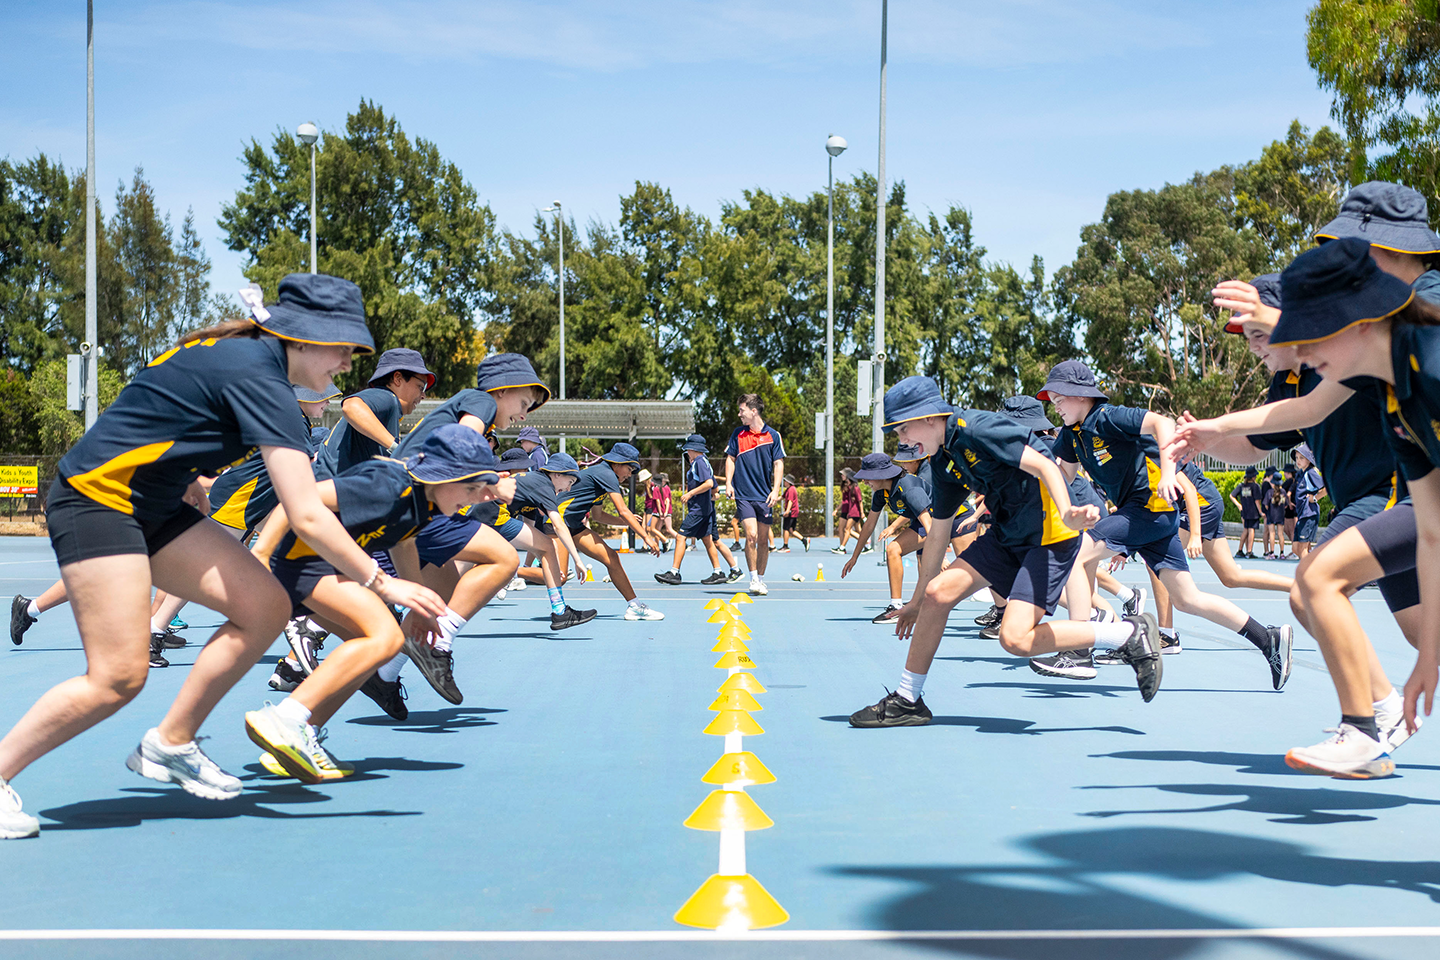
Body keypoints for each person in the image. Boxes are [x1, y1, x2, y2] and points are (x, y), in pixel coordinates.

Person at [0, 273, 448, 841]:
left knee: (263, 605)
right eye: (342, 350)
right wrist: (383, 586)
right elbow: (306, 512)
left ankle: (171, 741)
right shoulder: (262, 381)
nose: (345, 365)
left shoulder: (245, 357)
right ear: (304, 339)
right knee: (118, 676)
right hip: (96, 501)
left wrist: (183, 474)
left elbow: (159, 401)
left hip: (153, 503)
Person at [1170, 236, 1440, 777]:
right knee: (1418, 631)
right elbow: (1270, 433)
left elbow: (1308, 404)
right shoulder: (1328, 375)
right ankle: (1380, 716)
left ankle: (1371, 720)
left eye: (1261, 333)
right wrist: (1206, 436)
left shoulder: (1394, 355)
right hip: (1409, 496)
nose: (1257, 348)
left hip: (1384, 494)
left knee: (1314, 583)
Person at [848, 377, 1165, 730]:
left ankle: (1125, 635)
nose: (903, 441)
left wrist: (1068, 511)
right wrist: (916, 600)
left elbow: (1045, 465)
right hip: (1007, 534)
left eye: (904, 429)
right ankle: (908, 700)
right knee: (939, 593)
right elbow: (938, 533)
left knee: (1014, 639)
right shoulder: (942, 459)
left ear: (930, 417)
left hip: (1050, 537)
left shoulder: (979, 428)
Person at [245, 424, 503, 781]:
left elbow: (403, 545)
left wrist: (416, 605)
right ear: (443, 477)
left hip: (322, 566)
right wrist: (260, 553)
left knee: (370, 650)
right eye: (471, 488)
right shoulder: (387, 485)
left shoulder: (424, 505)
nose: (475, 498)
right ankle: (286, 718)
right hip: (296, 563)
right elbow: (300, 498)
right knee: (386, 637)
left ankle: (303, 733)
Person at [1038, 360, 1294, 690]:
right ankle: (1268, 638)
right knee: (1188, 599)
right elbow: (1061, 477)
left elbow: (1162, 421)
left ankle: (1078, 649)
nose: (1055, 405)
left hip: (1150, 510)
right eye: (1052, 400)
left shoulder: (1108, 417)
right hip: (1146, 516)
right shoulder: (1072, 437)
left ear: (1081, 395)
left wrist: (1170, 473)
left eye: (1060, 398)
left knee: (1074, 556)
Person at [557, 442, 664, 620]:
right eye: (629, 469)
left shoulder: (601, 477)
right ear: (617, 464)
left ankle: (635, 606)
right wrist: (646, 537)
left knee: (612, 558)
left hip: (573, 525)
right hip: (555, 522)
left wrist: (623, 522)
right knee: (560, 577)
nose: (630, 474)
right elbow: (623, 510)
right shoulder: (606, 473)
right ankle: (513, 573)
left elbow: (598, 516)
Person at [841, 452, 933, 624]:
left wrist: (940, 552)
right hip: (928, 524)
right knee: (917, 562)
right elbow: (869, 525)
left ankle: (1000, 607)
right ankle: (898, 606)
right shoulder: (882, 493)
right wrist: (855, 556)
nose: (865, 482)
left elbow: (931, 527)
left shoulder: (909, 489)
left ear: (881, 475)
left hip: (953, 520)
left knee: (977, 566)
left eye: (868, 477)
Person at [319, 347, 433, 474]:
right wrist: (397, 448)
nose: (423, 395)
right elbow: (351, 406)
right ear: (398, 379)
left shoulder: (387, 409)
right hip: (325, 486)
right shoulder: (388, 397)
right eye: (421, 387)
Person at [655, 435, 742, 585]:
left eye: (688, 449)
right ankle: (720, 571)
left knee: (681, 537)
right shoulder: (705, 463)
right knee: (710, 540)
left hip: (698, 510)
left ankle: (674, 572)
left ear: (692, 449)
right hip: (706, 509)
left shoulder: (699, 462)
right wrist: (711, 497)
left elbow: (708, 483)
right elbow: (714, 489)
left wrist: (690, 493)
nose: (687, 453)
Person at [724, 394, 785, 595]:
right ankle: (752, 579)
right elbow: (730, 458)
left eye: (742, 410)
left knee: (762, 541)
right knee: (750, 535)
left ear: (753, 411)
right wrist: (729, 483)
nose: (739, 414)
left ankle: (760, 579)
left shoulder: (773, 435)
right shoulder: (738, 434)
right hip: (744, 495)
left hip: (765, 496)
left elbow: (778, 463)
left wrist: (776, 490)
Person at [1292, 445, 1325, 560]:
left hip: (1309, 514)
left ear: (1309, 460)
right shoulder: (1301, 474)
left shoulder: (1310, 473)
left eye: (1302, 458)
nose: (1298, 461)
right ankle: (1315, 565)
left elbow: (1326, 488)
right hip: (1302, 514)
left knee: (1302, 549)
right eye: (1297, 458)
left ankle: (1306, 575)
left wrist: (1315, 498)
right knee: (1295, 548)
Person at [1230, 467, 1264, 559]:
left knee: (1245, 529)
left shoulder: (1241, 486)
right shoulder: (1255, 486)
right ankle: (1249, 551)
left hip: (1244, 510)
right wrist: (1260, 512)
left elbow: (1231, 495)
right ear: (1253, 477)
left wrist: (1238, 505)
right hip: (1253, 511)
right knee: (1251, 530)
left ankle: (1240, 550)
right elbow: (1257, 501)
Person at [833, 469, 864, 553]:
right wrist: (836, 509)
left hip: (853, 512)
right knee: (852, 529)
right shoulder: (849, 487)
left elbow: (860, 501)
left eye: (843, 475)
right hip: (851, 511)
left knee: (848, 529)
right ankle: (842, 547)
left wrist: (862, 513)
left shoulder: (854, 488)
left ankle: (843, 547)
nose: (842, 477)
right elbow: (844, 500)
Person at [777, 475, 808, 552]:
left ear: (788, 482)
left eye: (785, 481)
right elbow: (782, 497)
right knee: (791, 530)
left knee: (786, 529)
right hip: (793, 512)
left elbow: (790, 501)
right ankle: (804, 540)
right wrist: (773, 500)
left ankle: (785, 546)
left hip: (792, 512)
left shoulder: (791, 489)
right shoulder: (788, 490)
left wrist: (787, 511)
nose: (784, 482)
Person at [1263, 470, 1288, 560]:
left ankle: (1272, 552)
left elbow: (1265, 505)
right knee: (1280, 534)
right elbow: (1286, 505)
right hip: (1280, 515)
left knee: (1272, 533)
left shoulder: (1269, 492)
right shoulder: (1283, 492)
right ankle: (1282, 553)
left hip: (1271, 515)